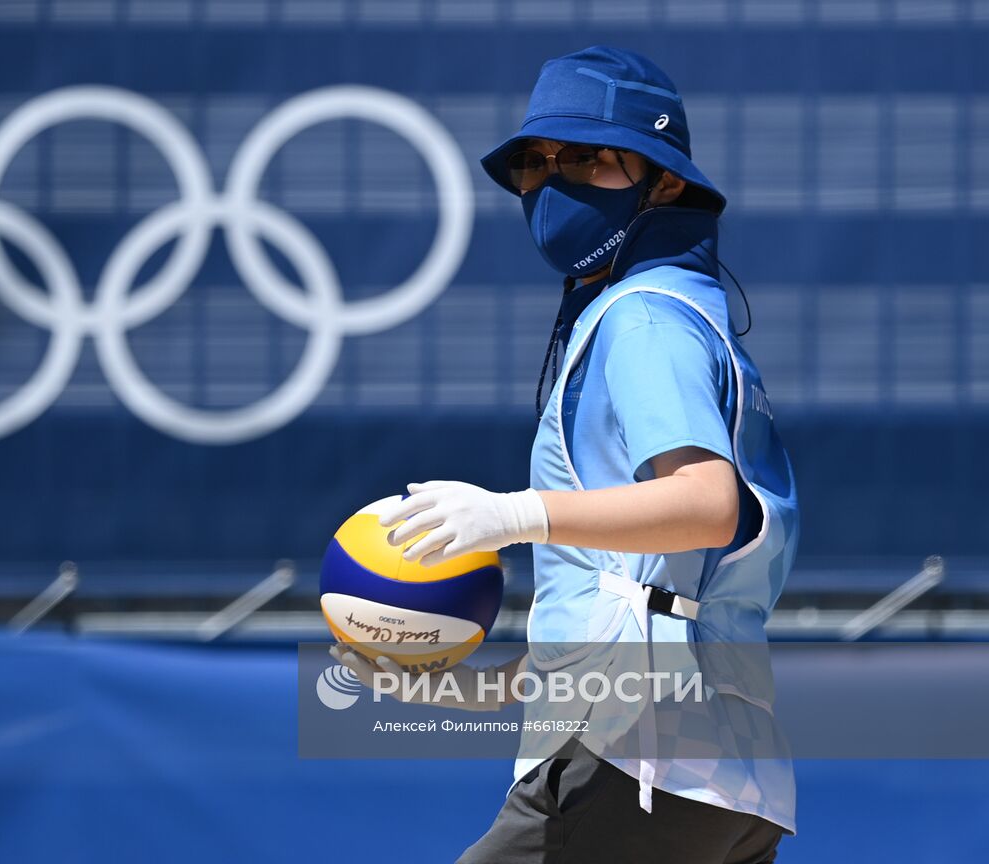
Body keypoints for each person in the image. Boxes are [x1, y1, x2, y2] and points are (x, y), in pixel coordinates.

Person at [333, 46, 799, 863]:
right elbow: (652, 599)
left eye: (586, 157)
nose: (553, 182)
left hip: (635, 756)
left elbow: (706, 504)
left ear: (665, 182)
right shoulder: (684, 315)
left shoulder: (643, 320)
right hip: (725, 778)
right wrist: (472, 689)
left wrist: (513, 515)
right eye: (534, 164)